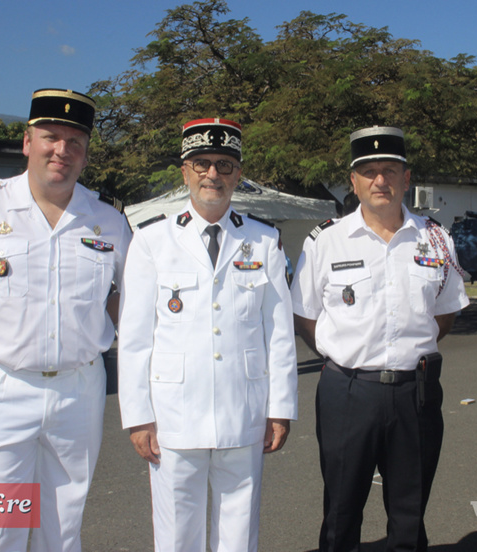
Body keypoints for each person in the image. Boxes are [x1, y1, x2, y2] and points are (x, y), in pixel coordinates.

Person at [0, 88, 132, 552]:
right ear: (27, 141)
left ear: (87, 153)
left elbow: (127, 297)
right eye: (51, 137)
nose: (62, 150)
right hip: (3, 387)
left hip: (80, 389)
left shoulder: (108, 219)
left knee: (62, 528)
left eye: (75, 142)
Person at [118, 118, 298, 551]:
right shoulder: (151, 240)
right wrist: (138, 416)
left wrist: (280, 408)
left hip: (245, 412)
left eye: (223, 164)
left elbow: (278, 332)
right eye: (201, 164)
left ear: (238, 173)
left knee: (240, 534)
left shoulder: (264, 240)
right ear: (185, 171)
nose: (212, 174)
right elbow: (135, 336)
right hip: (173, 415)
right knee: (177, 535)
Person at [291, 126, 469, 551]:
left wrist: (407, 350)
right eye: (368, 171)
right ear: (353, 182)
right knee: (340, 511)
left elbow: (444, 314)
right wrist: (349, 355)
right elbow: (307, 316)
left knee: (409, 515)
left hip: (416, 393)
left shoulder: (437, 239)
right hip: (347, 392)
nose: (380, 181)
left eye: (389, 170)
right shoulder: (325, 241)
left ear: (407, 178)